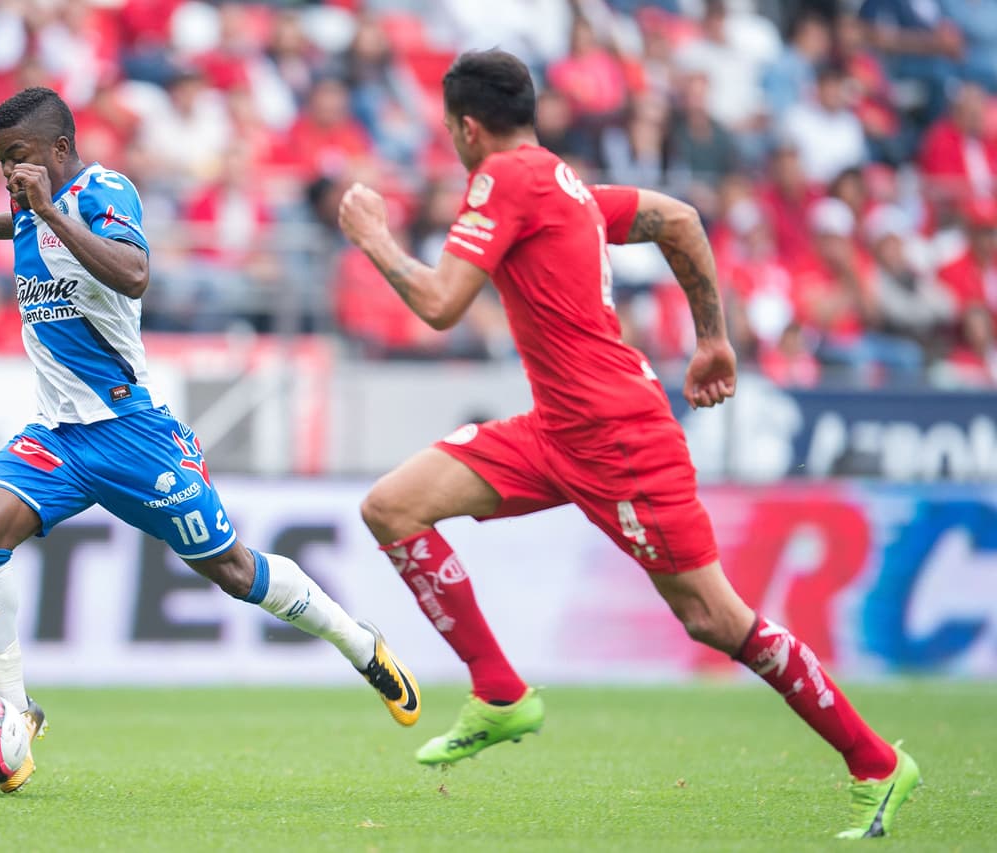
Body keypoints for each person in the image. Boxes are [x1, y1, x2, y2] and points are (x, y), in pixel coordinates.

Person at [337, 49, 919, 840]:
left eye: (450, 130)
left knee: (717, 620)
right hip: (557, 429)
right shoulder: (561, 181)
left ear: (467, 128)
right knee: (394, 506)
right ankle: (502, 692)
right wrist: (712, 339)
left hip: (618, 440)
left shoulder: (506, 179)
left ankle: (878, 763)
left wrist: (371, 234)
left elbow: (441, 304)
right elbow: (678, 218)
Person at [0, 87, 419, 794]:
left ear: (59, 149)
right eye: (0, 161)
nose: (9, 173)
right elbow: (31, 224)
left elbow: (135, 272)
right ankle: (16, 708)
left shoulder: (103, 191)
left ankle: (359, 643)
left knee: (236, 572)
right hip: (59, 436)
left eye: (19, 157)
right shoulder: (31, 205)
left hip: (133, 434)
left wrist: (46, 209)